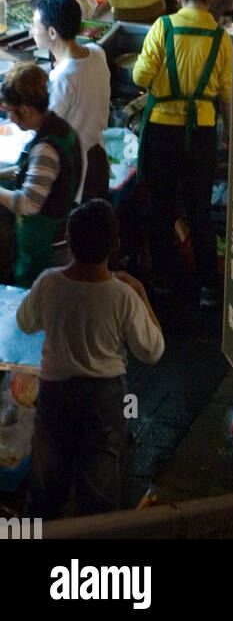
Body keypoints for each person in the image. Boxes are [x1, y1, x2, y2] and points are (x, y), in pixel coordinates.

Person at [16, 199, 164, 518]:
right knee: (99, 495)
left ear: (68, 240)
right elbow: (152, 352)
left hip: (54, 395)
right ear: (115, 245)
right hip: (105, 400)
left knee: (44, 491)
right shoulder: (123, 294)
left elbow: (25, 323)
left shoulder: (49, 282)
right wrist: (141, 292)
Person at [133, 0, 232, 307]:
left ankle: (163, 279)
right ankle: (208, 287)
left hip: (162, 129)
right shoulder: (222, 39)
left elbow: (140, 78)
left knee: (161, 205)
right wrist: (230, 136)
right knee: (199, 209)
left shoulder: (162, 28)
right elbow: (227, 94)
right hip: (202, 132)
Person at [0, 64, 82, 286]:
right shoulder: (60, 128)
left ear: (25, 111)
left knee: (37, 310)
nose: (8, 116)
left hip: (46, 251)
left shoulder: (46, 148)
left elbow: (28, 203)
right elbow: (34, 173)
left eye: (8, 110)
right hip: (55, 235)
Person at [32, 0, 111, 203]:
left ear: (51, 33)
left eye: (35, 26)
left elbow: (47, 130)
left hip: (77, 169)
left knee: (79, 229)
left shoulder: (63, 78)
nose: (32, 31)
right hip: (99, 158)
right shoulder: (97, 52)